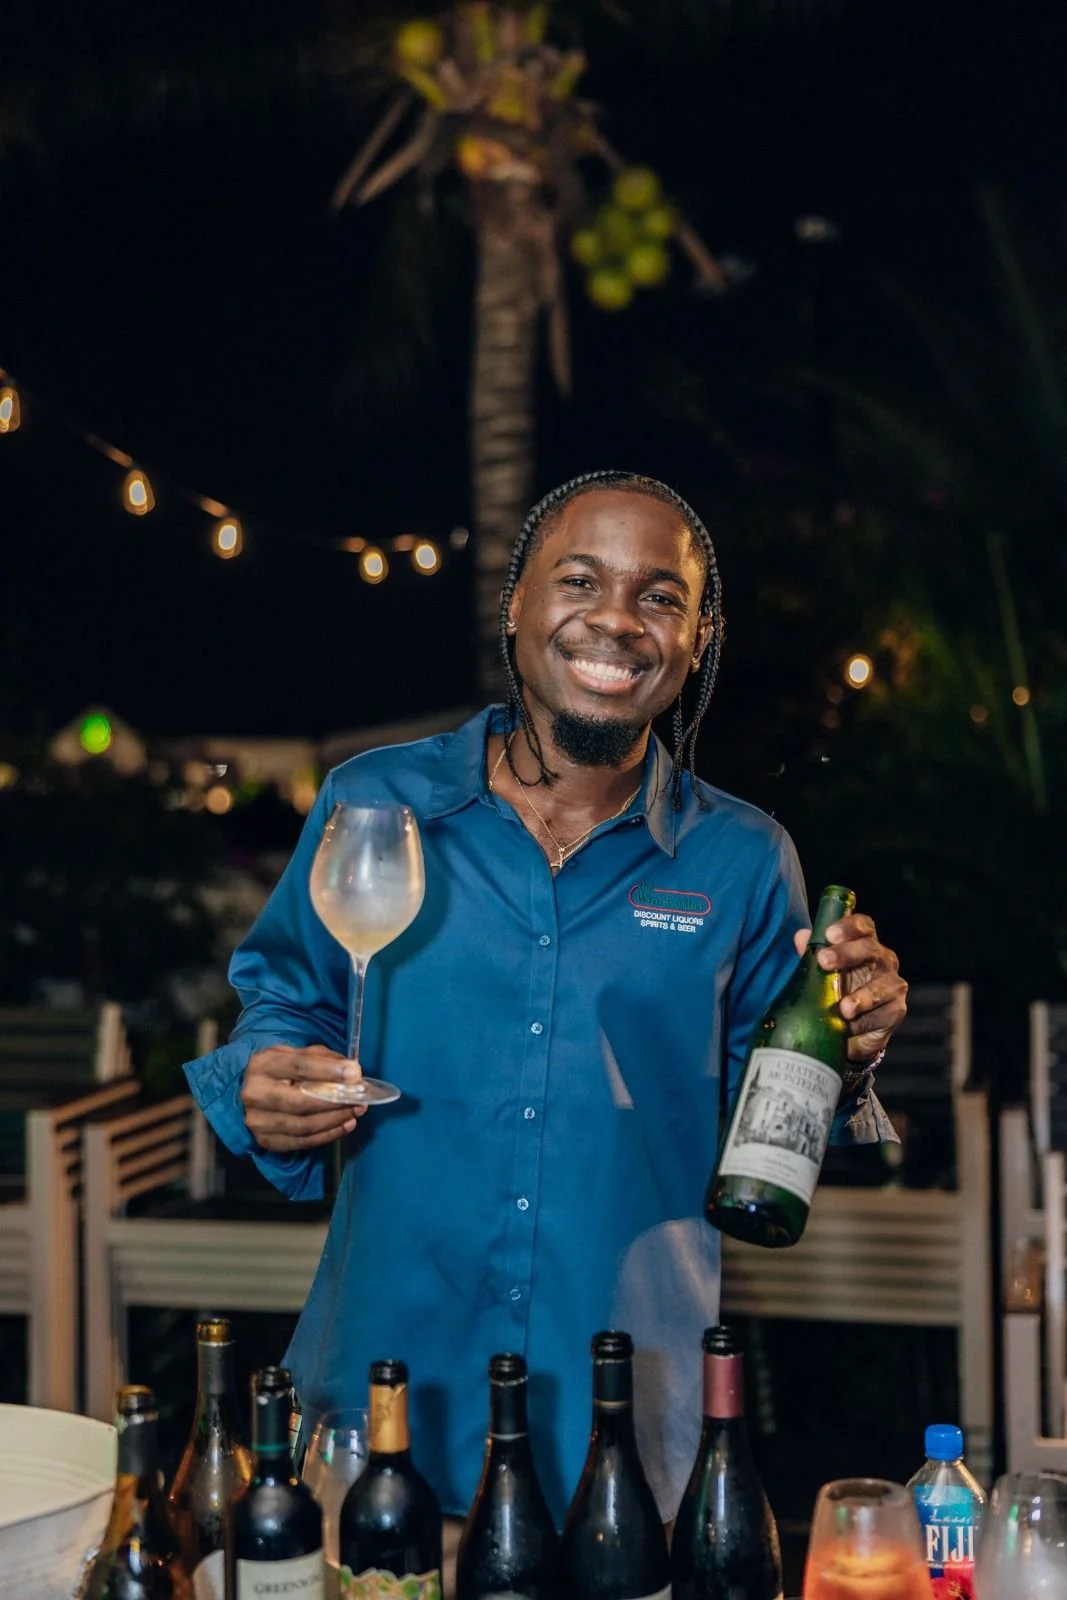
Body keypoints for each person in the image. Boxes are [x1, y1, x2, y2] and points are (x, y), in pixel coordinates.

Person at [185, 470, 907, 1534]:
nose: (615, 619)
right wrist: (264, 1078)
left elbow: (772, 1110)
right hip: (387, 1389)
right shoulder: (374, 802)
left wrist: (853, 1044)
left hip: (621, 1416)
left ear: (697, 639)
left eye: (659, 596)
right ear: (515, 603)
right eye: (579, 581)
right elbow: (286, 1003)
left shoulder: (745, 858)